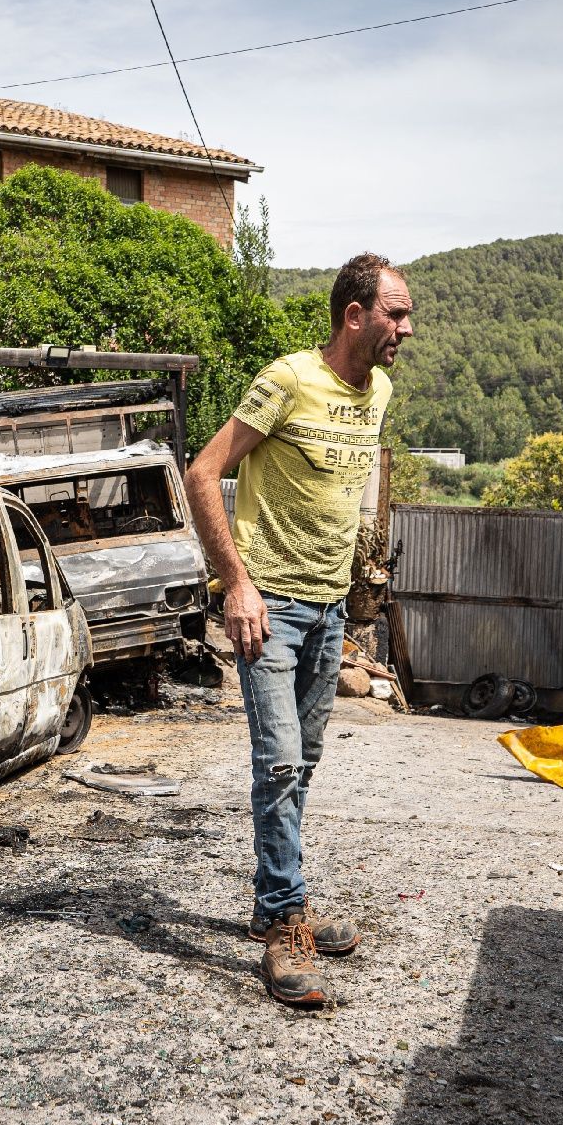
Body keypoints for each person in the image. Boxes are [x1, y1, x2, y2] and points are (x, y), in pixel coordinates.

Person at [184, 253, 413, 1006]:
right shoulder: (285, 379)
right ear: (355, 315)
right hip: (269, 607)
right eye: (396, 315)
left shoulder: (378, 390)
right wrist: (235, 583)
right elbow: (202, 470)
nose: (405, 329)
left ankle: (267, 901)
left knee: (302, 761)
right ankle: (286, 920)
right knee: (279, 761)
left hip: (327, 609)